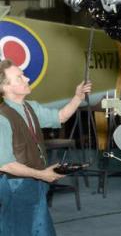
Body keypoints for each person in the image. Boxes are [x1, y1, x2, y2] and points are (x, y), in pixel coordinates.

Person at [0, 58, 92, 236]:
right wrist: (42, 174)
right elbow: (5, 165)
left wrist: (78, 97)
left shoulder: (30, 107)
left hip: (36, 184)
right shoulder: (2, 118)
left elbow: (60, 117)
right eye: (20, 77)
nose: (27, 79)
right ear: (5, 88)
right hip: (15, 186)